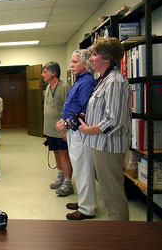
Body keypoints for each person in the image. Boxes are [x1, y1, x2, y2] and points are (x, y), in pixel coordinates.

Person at [78, 37, 131, 221]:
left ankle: (120, 239)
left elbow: (113, 120)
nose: (90, 59)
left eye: (94, 54)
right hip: (100, 145)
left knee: (113, 194)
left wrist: (88, 129)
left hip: (108, 147)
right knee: (108, 193)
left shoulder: (115, 81)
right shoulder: (103, 79)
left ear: (106, 58)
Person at [56, 50, 97, 220]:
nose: (71, 65)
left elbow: (84, 112)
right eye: (72, 62)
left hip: (81, 132)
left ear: (86, 64)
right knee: (79, 168)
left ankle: (87, 209)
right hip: (74, 132)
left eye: (75, 62)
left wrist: (65, 124)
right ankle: (83, 201)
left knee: (83, 169)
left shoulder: (86, 82)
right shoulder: (79, 81)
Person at [42, 61, 73, 196]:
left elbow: (71, 109)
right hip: (50, 129)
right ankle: (60, 177)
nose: (42, 75)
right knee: (55, 152)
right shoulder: (48, 87)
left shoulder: (65, 87)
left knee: (64, 154)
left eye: (45, 72)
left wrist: (67, 130)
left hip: (62, 129)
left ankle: (67, 183)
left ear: (53, 73)